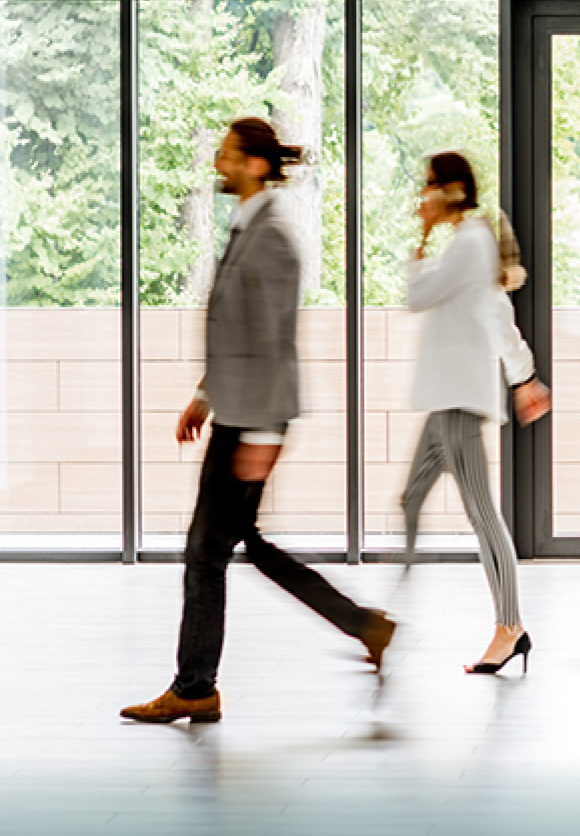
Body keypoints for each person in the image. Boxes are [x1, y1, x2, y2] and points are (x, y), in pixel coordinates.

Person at [123, 117, 395, 724]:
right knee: (240, 546)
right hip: (239, 413)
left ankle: (195, 688)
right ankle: (364, 625)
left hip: (253, 424)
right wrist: (204, 395)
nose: (217, 165)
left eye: (226, 156)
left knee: (204, 554)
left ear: (253, 164)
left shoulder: (271, 236)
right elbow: (239, 332)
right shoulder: (249, 227)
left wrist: (265, 435)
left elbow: (275, 342)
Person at [398, 154, 551, 675]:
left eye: (429, 187)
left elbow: (420, 297)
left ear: (452, 190)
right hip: (446, 399)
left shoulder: (468, 244)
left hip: (460, 402)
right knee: (412, 496)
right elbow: (494, 317)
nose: (423, 196)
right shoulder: (467, 242)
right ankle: (392, 612)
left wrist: (523, 378)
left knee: (484, 515)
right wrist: (523, 378)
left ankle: (510, 627)